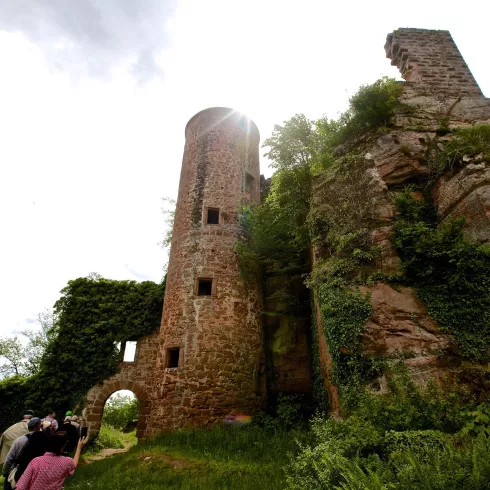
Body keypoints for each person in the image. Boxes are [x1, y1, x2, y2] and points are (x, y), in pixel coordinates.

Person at [15, 433, 88, 490]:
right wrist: (79, 448)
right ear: (61, 448)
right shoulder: (66, 462)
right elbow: (74, 465)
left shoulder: (36, 461)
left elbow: (21, 486)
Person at [2, 418, 47, 490]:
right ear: (38, 426)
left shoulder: (20, 440)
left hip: (20, 472)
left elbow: (9, 459)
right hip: (38, 473)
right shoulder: (45, 439)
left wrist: (5, 472)